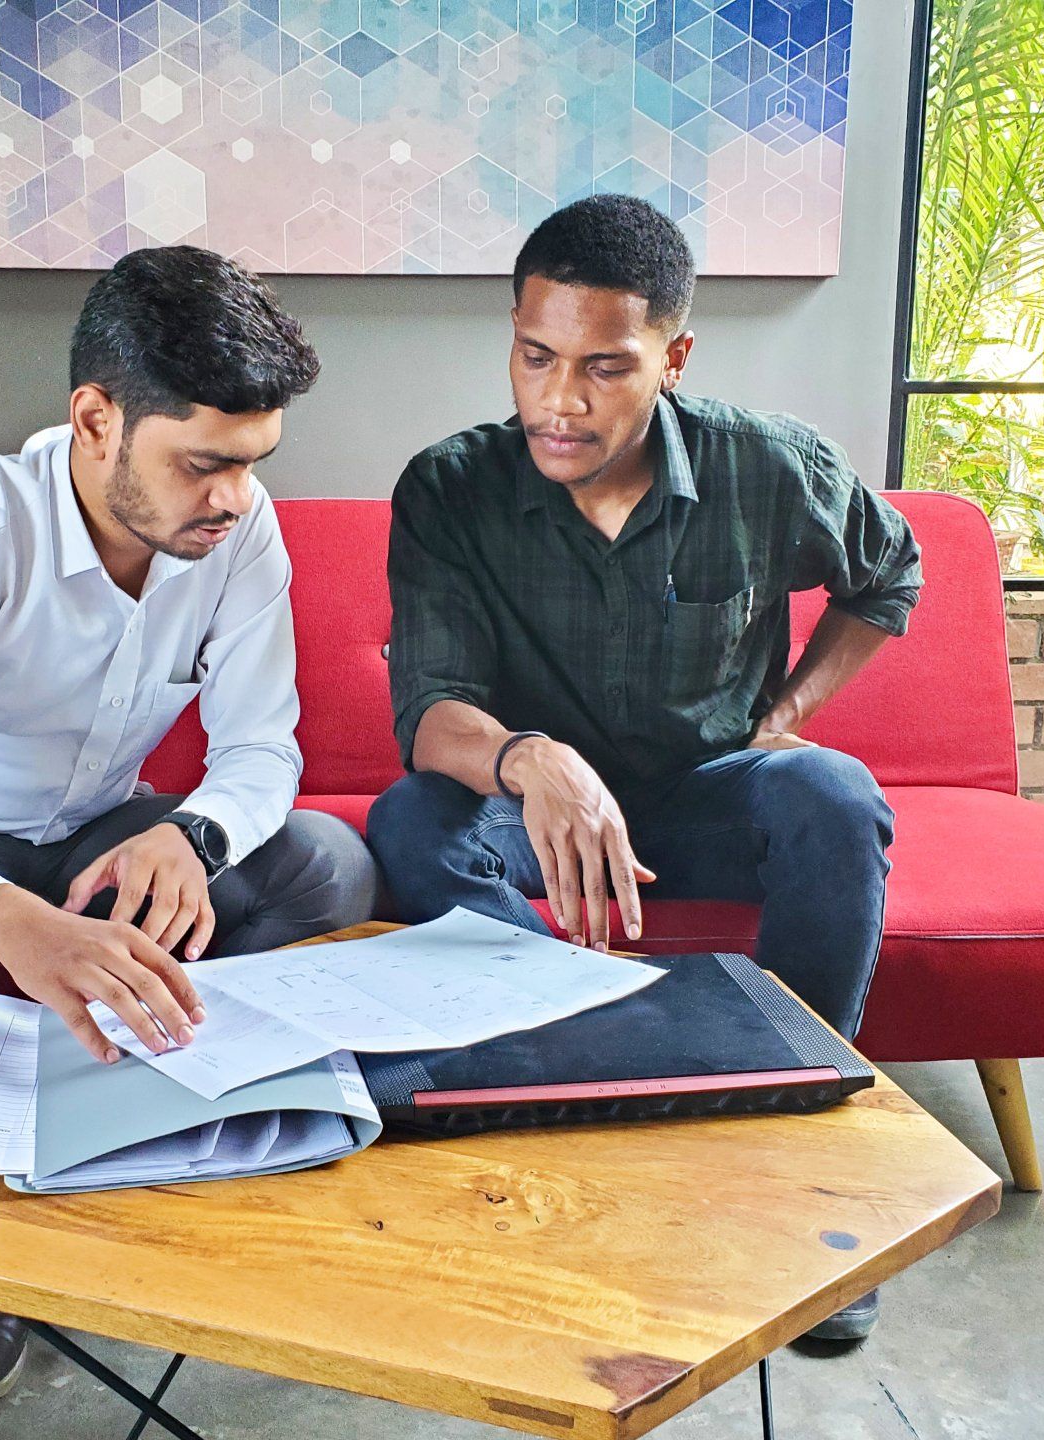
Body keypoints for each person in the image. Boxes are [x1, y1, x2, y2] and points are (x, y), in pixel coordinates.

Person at [0, 246, 381, 1406]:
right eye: (204, 464)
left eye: (253, 463)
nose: (234, 498)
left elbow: (262, 750)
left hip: (106, 827)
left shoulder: (240, 533)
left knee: (328, 864)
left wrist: (195, 836)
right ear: (97, 420)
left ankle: (178, 1147)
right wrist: (10, 921)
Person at [366, 194, 922, 1342]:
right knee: (413, 821)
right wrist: (532, 759)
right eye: (537, 357)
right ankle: (572, 1086)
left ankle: (794, 1150)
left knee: (834, 795)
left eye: (605, 367)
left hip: (710, 796)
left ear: (673, 359)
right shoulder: (450, 488)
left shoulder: (768, 464)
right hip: (534, 813)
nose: (560, 401)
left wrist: (787, 713)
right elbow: (429, 716)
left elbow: (889, 575)